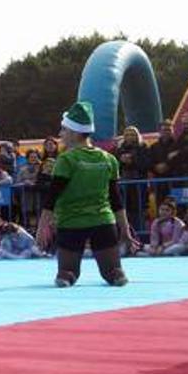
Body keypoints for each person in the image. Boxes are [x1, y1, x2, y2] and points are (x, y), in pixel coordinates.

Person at [35, 102, 129, 287]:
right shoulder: (109, 159)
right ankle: (117, 274)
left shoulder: (66, 159)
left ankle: (66, 277)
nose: (60, 134)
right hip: (104, 222)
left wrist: (41, 228)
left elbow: (52, 197)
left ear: (74, 132)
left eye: (64, 130)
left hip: (71, 223)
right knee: (114, 272)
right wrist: (124, 228)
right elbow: (116, 198)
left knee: (66, 273)